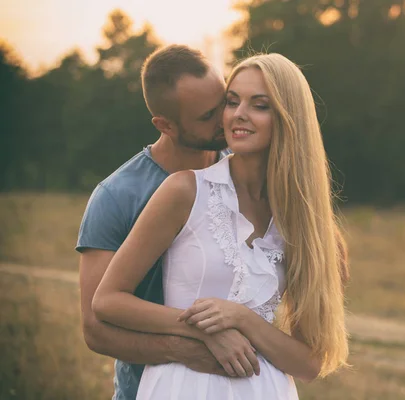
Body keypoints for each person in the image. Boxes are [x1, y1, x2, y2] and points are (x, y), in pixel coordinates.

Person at [92, 53, 349, 399]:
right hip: (181, 388)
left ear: (290, 119)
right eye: (232, 101)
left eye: (260, 104)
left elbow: (308, 365)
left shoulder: (304, 223)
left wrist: (243, 319)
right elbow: (107, 301)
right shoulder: (184, 191)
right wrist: (203, 329)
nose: (238, 113)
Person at [76, 45, 257, 400]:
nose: (225, 118)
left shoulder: (245, 171)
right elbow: (95, 331)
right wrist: (189, 346)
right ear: (165, 125)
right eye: (208, 116)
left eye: (225, 102)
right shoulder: (116, 197)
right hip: (150, 390)